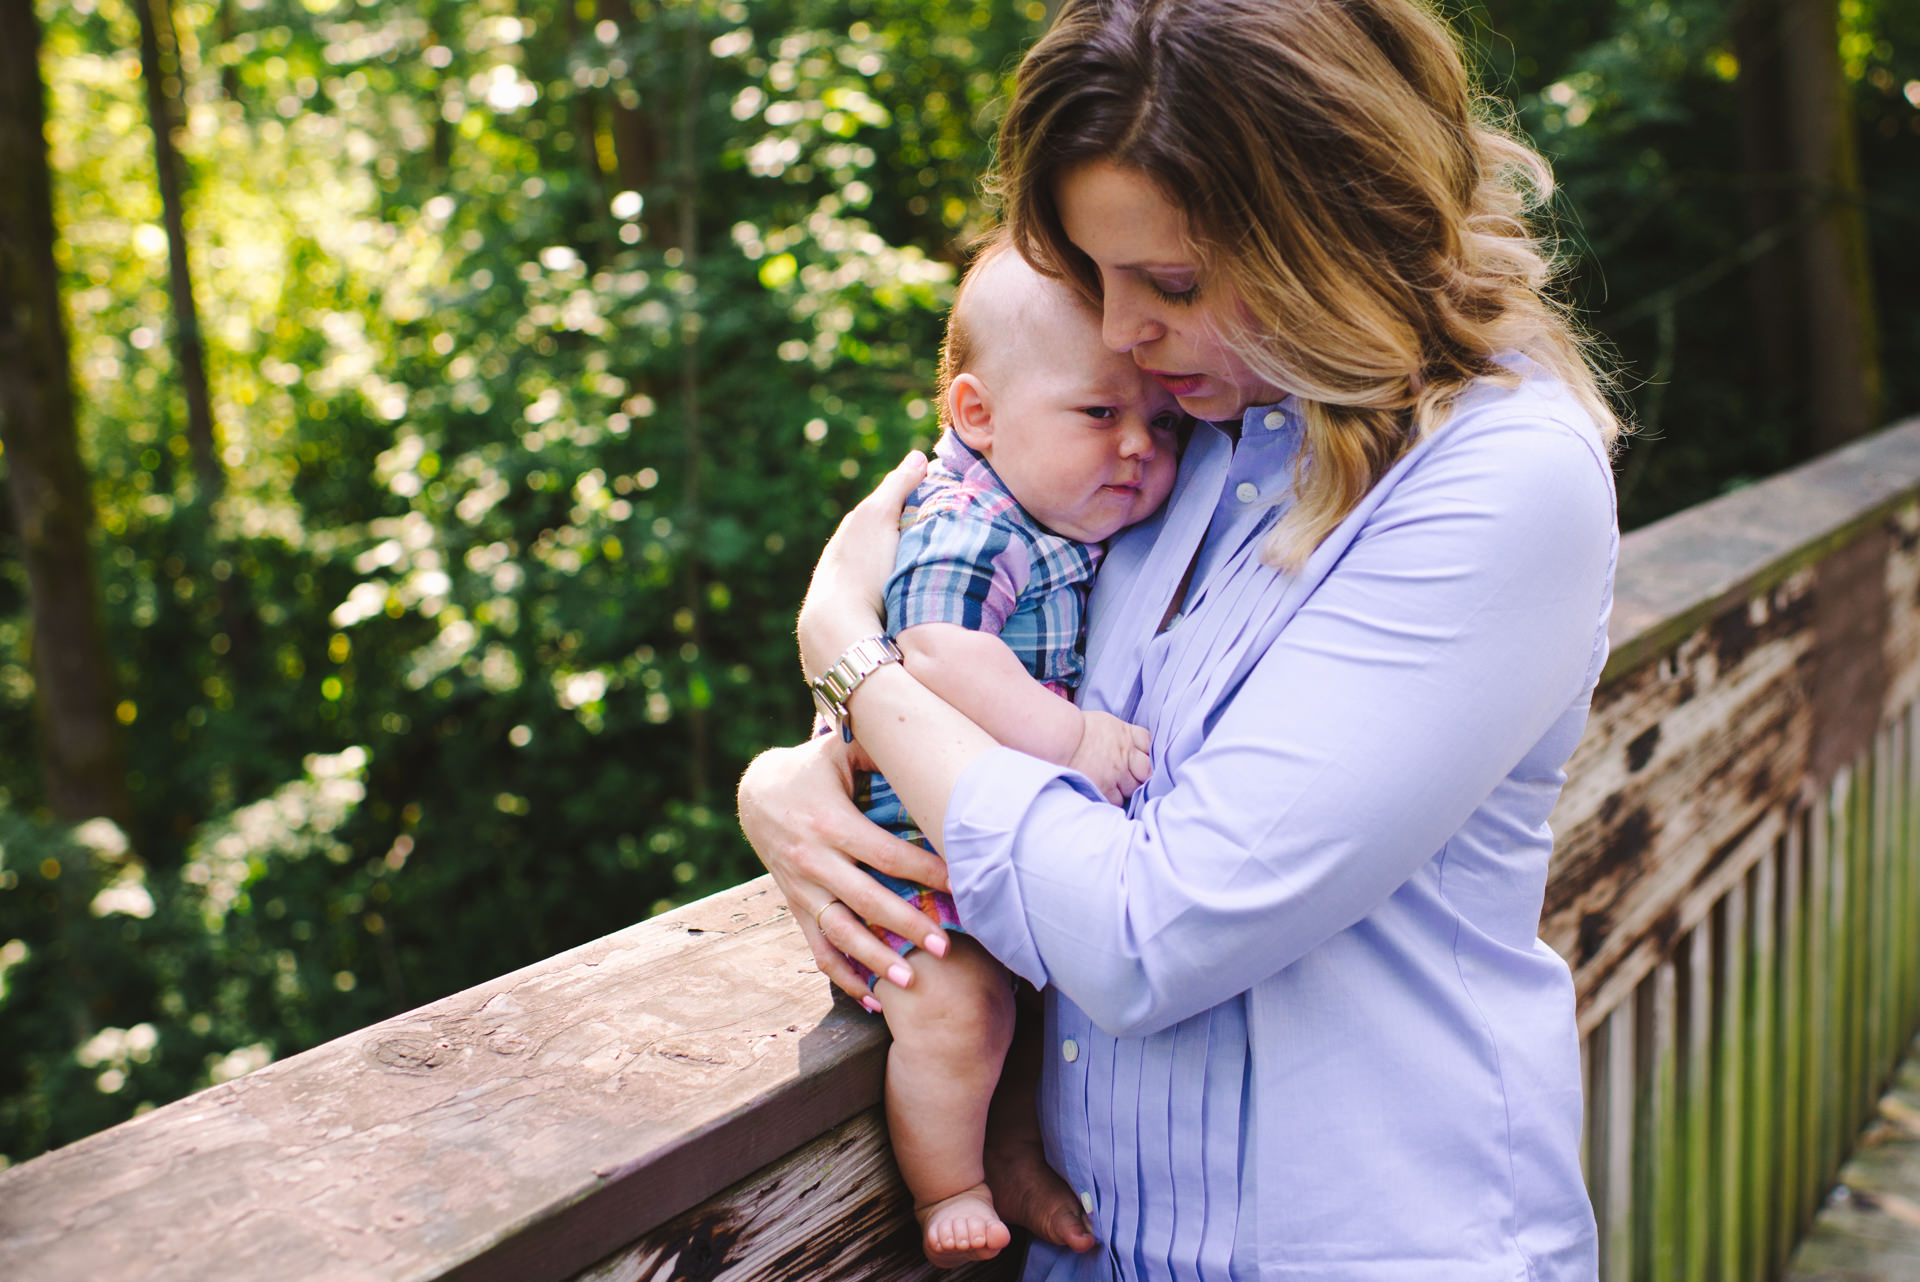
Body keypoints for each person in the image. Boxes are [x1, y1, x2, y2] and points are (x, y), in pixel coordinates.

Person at [740, 1, 1623, 1277]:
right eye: (1095, 278)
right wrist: (795, 775)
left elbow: (1152, 936)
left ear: (1332, 229)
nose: (1119, 333)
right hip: (1097, 1246)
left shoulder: (1498, 478)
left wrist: (846, 649)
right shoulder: (1174, 444)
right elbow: (986, 665)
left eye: (1171, 282)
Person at [847, 231, 1177, 1264]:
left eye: (1160, 423)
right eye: (1100, 413)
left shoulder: (1061, 519)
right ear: (976, 414)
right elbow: (938, 654)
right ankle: (948, 1187)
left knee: (1032, 1028)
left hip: (1004, 854)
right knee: (960, 1020)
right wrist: (1073, 736)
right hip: (916, 865)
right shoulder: (971, 523)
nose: (1138, 446)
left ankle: (1017, 1164)